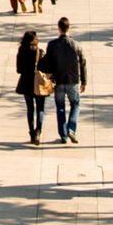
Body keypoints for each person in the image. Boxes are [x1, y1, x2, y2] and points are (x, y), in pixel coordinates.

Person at [39, 16, 87, 144]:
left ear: (59, 28)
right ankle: (71, 129)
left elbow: (48, 62)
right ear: (69, 28)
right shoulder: (76, 44)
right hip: (73, 80)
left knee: (60, 108)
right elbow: (83, 62)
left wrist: (49, 75)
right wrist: (84, 81)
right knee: (75, 104)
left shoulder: (52, 44)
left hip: (59, 80)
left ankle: (63, 135)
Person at [16, 30, 48, 145]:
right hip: (38, 84)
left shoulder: (21, 51)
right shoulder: (40, 52)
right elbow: (45, 68)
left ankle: (31, 132)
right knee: (40, 108)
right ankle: (38, 131)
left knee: (30, 108)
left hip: (26, 83)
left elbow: (19, 69)